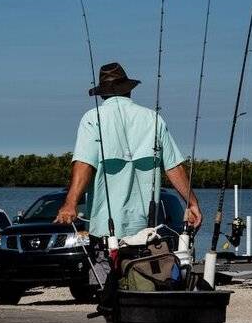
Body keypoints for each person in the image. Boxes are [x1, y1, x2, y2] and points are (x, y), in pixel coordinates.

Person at [54, 62, 202, 248]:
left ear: (102, 94)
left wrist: (70, 203)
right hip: (146, 231)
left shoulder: (92, 119)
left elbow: (84, 164)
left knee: (104, 275)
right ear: (128, 90)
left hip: (105, 233)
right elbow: (174, 167)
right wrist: (192, 202)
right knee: (143, 276)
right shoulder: (153, 119)